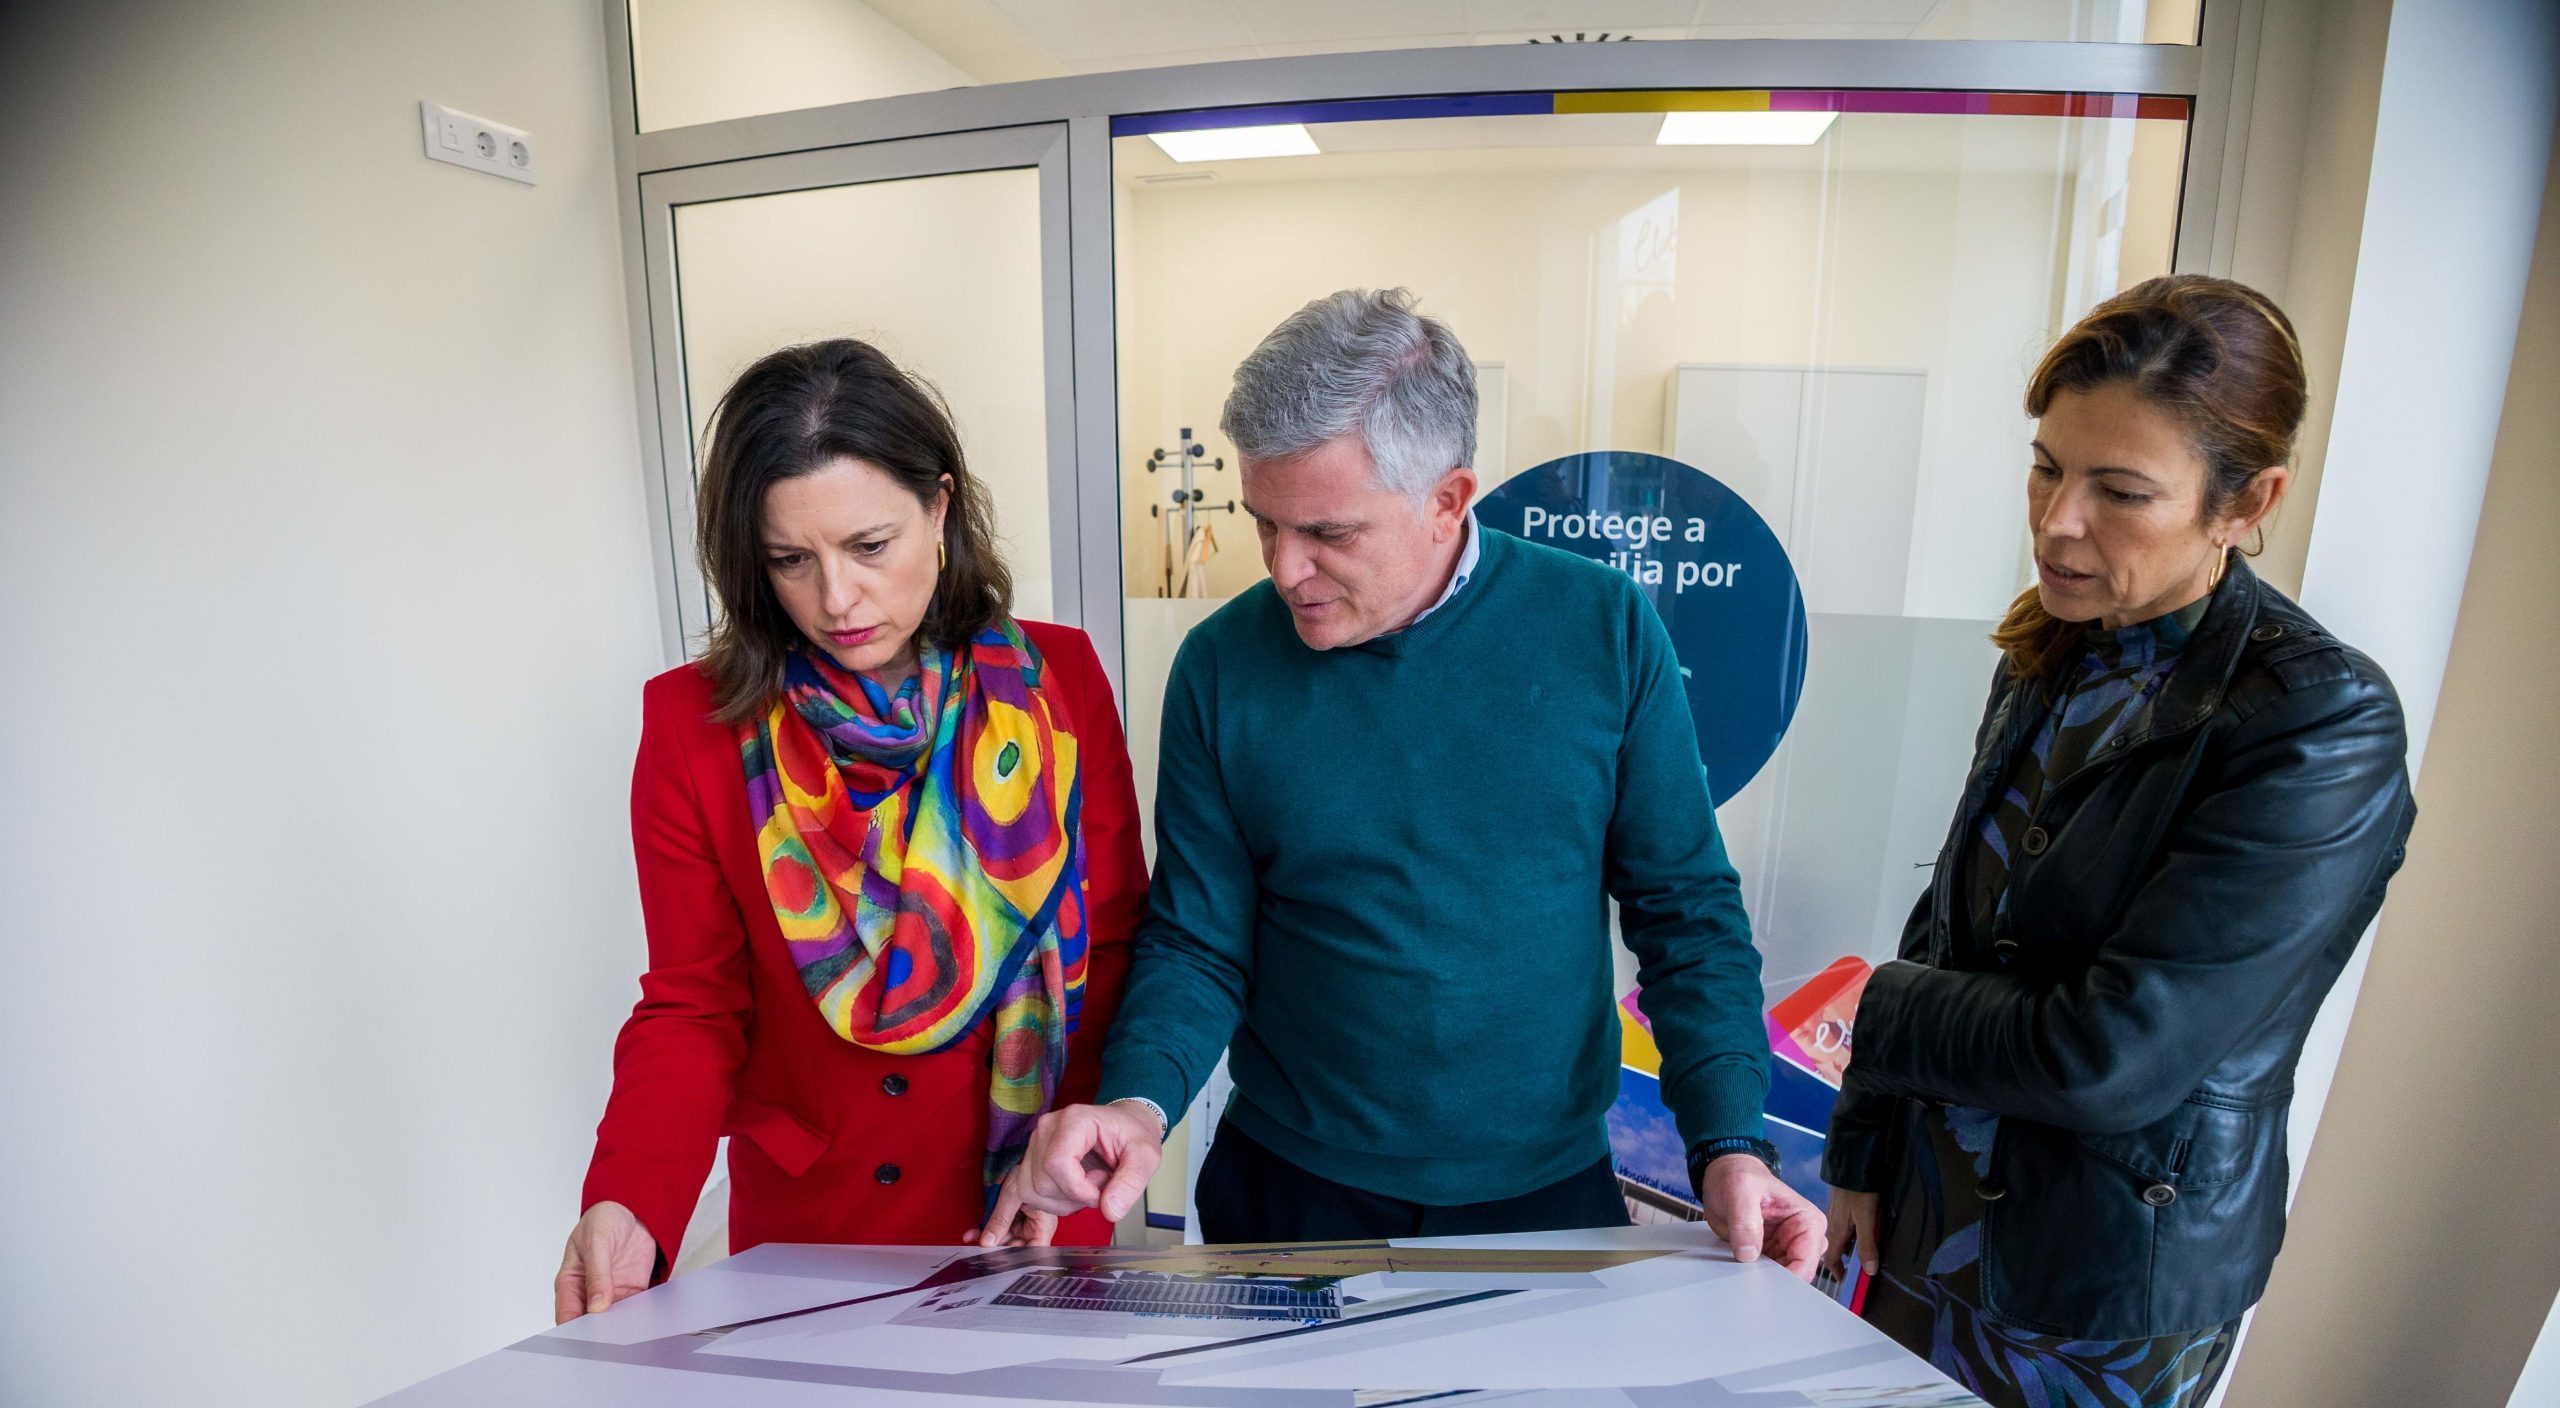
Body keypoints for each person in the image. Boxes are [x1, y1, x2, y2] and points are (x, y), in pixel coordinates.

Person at [982, 289, 1825, 1275]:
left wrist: (1728, 1139)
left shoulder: (1600, 628)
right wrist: (1137, 1098)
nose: (1284, 568)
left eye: (1328, 533)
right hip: (1288, 1195)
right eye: (1262, 522)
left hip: (1544, 1200)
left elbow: (1684, 910)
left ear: (1447, 499)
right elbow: (1199, 940)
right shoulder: (1223, 664)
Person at [1819, 275, 2417, 1407]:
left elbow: (2112, 1056)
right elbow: (1956, 913)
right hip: (1922, 1211)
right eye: (2046, 465)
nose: (2056, 521)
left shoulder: (2317, 719)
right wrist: (1860, 1146)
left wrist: (1879, 1007)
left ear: (2246, 504)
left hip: (2094, 1281)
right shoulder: (2058, 643)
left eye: (2120, 490)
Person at [554, 340, 1147, 1322]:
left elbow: (1120, 938)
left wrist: (1102, 1122)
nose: (836, 599)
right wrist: (631, 1196)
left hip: (1031, 1196)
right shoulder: (694, 728)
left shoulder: (1061, 683)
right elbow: (693, 1004)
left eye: (870, 545)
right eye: (791, 559)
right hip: (813, 1219)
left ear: (941, 509)